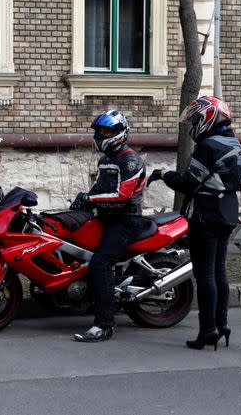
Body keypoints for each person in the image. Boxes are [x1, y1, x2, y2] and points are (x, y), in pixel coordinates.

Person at [148, 96, 241, 350]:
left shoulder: (208, 147)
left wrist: (163, 174)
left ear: (207, 119)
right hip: (227, 212)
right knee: (219, 272)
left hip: (205, 214)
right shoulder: (234, 144)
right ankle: (222, 324)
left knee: (205, 274)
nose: (193, 124)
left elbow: (187, 183)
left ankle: (207, 330)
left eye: (195, 119)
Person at [72, 110, 147, 343]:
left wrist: (89, 199)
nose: (101, 135)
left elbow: (122, 195)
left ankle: (104, 325)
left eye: (106, 131)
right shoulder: (106, 160)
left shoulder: (130, 160)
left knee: (100, 264)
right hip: (105, 217)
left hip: (126, 220)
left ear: (119, 133)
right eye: (99, 131)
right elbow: (97, 188)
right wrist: (81, 203)